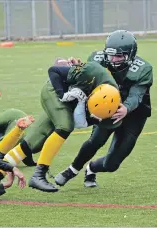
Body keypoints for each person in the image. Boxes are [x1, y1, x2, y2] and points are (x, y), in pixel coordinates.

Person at [0, 61, 122, 192]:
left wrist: (85, 108)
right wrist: (62, 94)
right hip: (54, 92)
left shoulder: (112, 107)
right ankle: (39, 174)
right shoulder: (91, 72)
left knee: (32, 144)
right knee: (65, 126)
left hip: (71, 105)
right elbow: (54, 70)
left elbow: (81, 122)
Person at [55, 30, 153, 188]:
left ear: (131, 55)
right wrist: (77, 69)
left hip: (134, 114)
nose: (113, 59)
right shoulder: (98, 59)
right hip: (106, 107)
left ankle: (91, 168)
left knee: (112, 165)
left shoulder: (142, 69)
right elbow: (86, 80)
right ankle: (71, 171)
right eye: (111, 55)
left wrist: (126, 109)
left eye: (119, 56)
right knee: (96, 141)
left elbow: (137, 95)